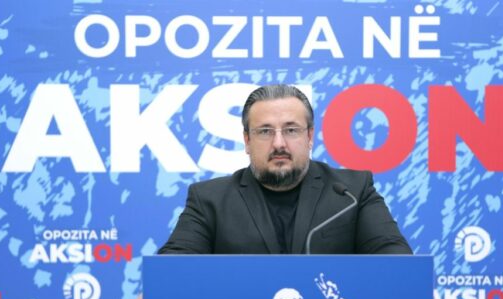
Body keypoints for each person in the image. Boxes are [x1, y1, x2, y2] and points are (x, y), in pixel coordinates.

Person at [158, 84, 412, 255]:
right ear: (247, 140)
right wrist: (155, 291)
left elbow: (392, 253)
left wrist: (414, 291)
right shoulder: (210, 200)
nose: (279, 143)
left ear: (309, 136)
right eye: (265, 131)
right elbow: (176, 262)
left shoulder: (351, 193)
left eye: (291, 130)